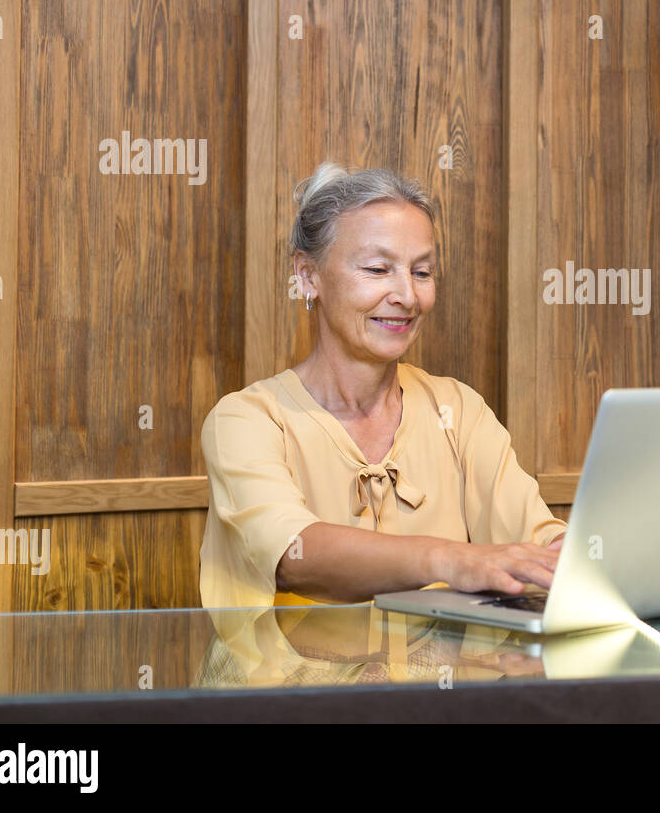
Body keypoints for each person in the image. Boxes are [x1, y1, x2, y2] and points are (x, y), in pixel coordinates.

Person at [198, 163, 566, 609]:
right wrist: (448, 559)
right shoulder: (246, 420)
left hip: (444, 680)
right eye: (377, 269)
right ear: (307, 275)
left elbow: (536, 537)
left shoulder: (458, 409)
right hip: (286, 678)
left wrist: (575, 556)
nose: (407, 296)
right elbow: (291, 554)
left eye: (422, 272)